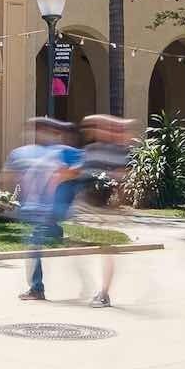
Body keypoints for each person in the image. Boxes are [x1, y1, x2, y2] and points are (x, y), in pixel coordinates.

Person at [3, 118, 82, 302]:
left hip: (53, 208)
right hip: (34, 209)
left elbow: (82, 166)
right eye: (39, 129)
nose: (42, 133)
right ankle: (38, 286)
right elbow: (7, 175)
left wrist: (62, 176)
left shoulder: (62, 151)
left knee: (34, 244)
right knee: (35, 245)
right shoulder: (23, 153)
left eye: (46, 130)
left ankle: (37, 288)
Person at [76, 114, 133, 308]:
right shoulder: (91, 150)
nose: (93, 130)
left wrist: (116, 203)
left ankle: (104, 292)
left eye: (97, 126)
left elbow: (123, 180)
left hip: (106, 209)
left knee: (106, 251)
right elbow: (81, 173)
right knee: (78, 249)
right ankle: (88, 285)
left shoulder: (121, 151)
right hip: (86, 207)